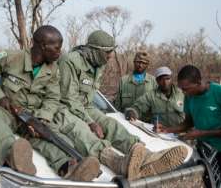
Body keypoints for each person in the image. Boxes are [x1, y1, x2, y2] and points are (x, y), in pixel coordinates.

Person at [0, 25, 100, 181]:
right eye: (56, 47)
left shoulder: (54, 69)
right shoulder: (11, 58)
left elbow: (53, 97)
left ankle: (69, 168)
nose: (59, 52)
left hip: (33, 116)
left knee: (49, 137)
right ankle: (11, 155)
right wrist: (0, 97)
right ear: (42, 46)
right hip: (8, 112)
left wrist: (42, 119)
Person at [59, 29, 188, 180]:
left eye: (111, 52)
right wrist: (90, 122)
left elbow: (89, 96)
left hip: (85, 106)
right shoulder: (70, 61)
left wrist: (93, 119)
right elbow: (69, 99)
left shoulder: (98, 64)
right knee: (82, 132)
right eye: (107, 52)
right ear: (95, 50)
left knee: (111, 124)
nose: (110, 56)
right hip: (64, 108)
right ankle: (117, 162)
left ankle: (145, 156)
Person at [157, 65, 221, 188]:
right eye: (182, 89)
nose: (184, 92)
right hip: (204, 151)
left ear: (198, 82)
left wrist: (203, 133)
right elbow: (188, 123)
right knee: (210, 183)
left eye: (186, 89)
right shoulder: (189, 96)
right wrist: (167, 129)